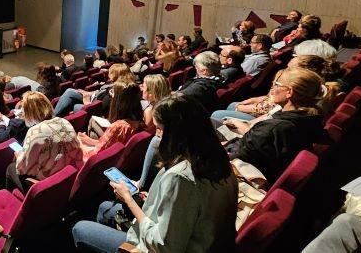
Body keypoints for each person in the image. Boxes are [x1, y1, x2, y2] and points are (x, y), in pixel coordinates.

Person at [72, 95, 238, 253]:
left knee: (80, 228)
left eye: (159, 129)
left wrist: (129, 200)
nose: (157, 136)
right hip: (207, 243)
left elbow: (164, 247)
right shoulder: (221, 161)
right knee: (104, 208)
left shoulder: (181, 178)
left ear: (176, 133)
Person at [223, 67, 325, 182]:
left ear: (289, 92)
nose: (272, 89)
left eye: (276, 84)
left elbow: (238, 158)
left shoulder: (274, 127)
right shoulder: (311, 117)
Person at [8, 92, 83, 193]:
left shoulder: (34, 132)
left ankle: (18, 202)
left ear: (29, 113)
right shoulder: (63, 121)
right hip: (71, 176)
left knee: (11, 168)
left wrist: (19, 156)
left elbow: (23, 169)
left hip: (50, 185)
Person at [78, 83, 144, 162]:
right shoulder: (139, 122)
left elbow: (93, 158)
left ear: (118, 101)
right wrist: (89, 140)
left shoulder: (118, 127)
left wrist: (79, 144)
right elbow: (112, 147)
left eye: (112, 93)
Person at [53, 63, 135, 117]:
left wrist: (86, 102)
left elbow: (101, 110)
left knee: (74, 105)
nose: (108, 74)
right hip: (93, 98)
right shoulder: (114, 83)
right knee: (70, 91)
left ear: (116, 75)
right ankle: (55, 118)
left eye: (111, 72)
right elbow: (101, 92)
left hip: (92, 108)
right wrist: (89, 93)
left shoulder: (114, 91)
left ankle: (53, 118)